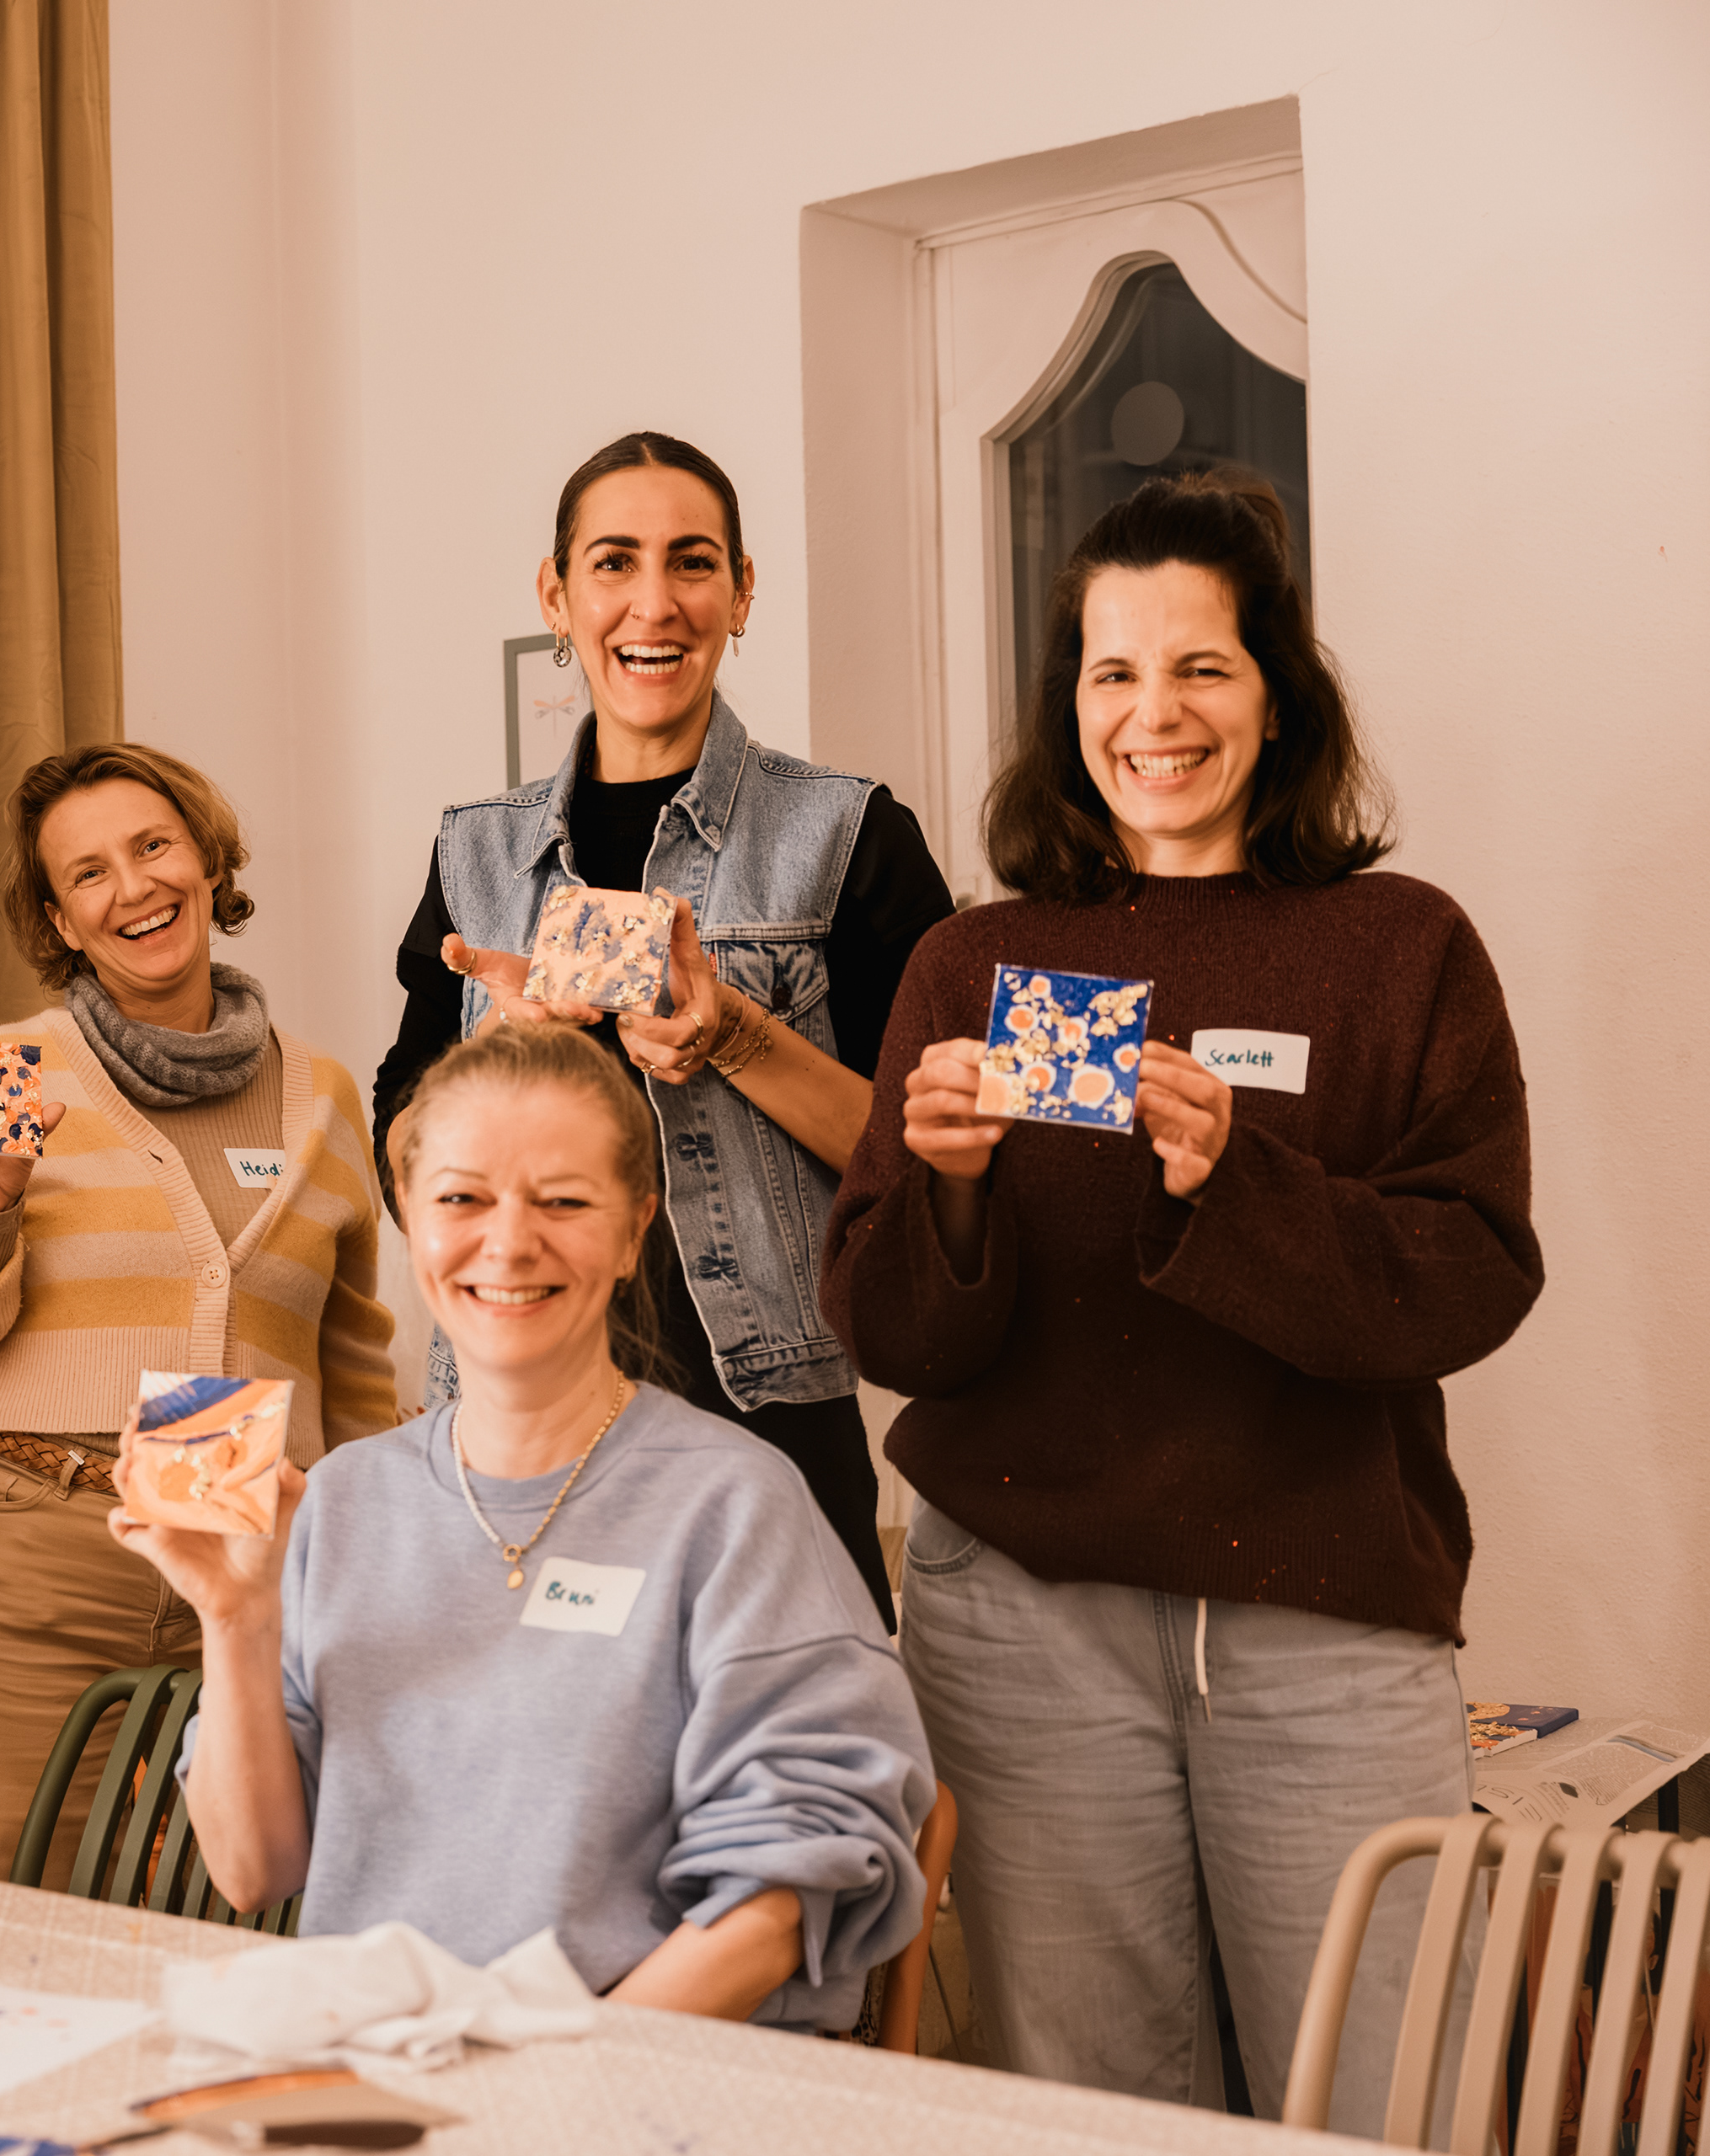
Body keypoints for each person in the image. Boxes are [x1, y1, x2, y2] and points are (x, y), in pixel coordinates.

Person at [822, 472, 1541, 2127]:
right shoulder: (973, 963)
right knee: (1096, 2116)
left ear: (1278, 692)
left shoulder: (1401, 947)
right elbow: (898, 1339)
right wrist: (945, 1186)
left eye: (1202, 666)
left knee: (1382, 2101)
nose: (1156, 714)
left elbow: (1469, 1275)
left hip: (1323, 1620)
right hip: (1022, 1626)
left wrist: (1237, 1179)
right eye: (1114, 672)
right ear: (1068, 707)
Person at [118, 1022, 929, 2027]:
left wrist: (544, 2078)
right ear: (410, 1214)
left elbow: (774, 1906)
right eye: (462, 1198)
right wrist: (236, 1618)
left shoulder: (736, 1506)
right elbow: (254, 1869)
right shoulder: (340, 1498)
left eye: (564, 1202)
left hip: (634, 2070)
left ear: (635, 1231)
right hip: (378, 2060)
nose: (508, 1243)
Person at [374, 432, 952, 1627]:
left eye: (692, 562)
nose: (654, 603)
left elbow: (926, 1153)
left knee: (792, 1736)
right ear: (557, 595)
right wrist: (499, 1066)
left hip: (768, 1418)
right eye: (613, 563)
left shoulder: (849, 835)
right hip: (514, 1420)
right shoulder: (476, 852)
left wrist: (734, 1037)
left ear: (742, 592)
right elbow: (401, 1151)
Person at [0, 744, 396, 1881]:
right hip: (35, 1558)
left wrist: (362, 1556)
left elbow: (355, 1364)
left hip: (247, 1559)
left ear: (207, 859)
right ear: (60, 920)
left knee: (234, 1899)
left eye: (154, 846)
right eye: (89, 873)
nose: (134, 888)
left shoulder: (324, 1092)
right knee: (27, 1904)